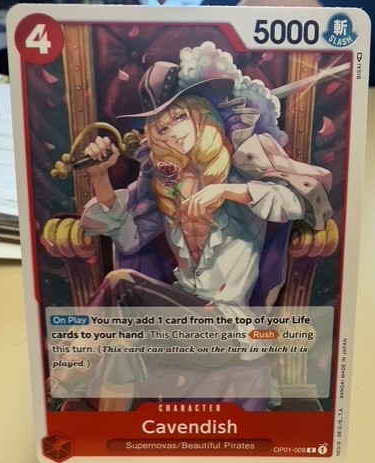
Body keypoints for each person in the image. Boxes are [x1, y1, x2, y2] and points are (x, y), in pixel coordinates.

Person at [64, 56, 334, 409]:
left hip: (227, 329)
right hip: (183, 323)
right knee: (120, 346)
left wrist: (227, 191)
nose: (172, 132)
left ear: (201, 114)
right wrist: (100, 176)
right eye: (161, 127)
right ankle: (105, 436)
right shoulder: (166, 186)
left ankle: (67, 375)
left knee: (119, 283)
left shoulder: (243, 167)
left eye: (180, 117)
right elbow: (128, 239)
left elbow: (299, 201)